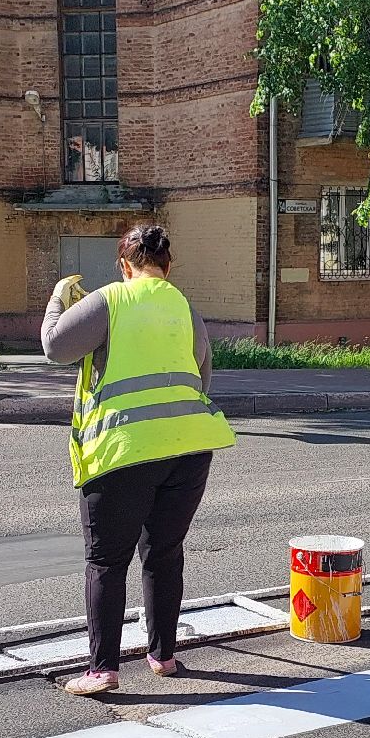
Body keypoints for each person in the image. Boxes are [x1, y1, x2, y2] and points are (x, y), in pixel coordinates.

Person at [41, 224, 237, 695]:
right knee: (164, 553)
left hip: (123, 452)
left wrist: (57, 301)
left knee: (107, 561)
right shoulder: (185, 307)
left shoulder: (109, 299)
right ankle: (163, 656)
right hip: (188, 450)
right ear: (168, 266)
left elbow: (55, 347)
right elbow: (202, 375)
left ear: (124, 266)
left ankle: (103, 669)